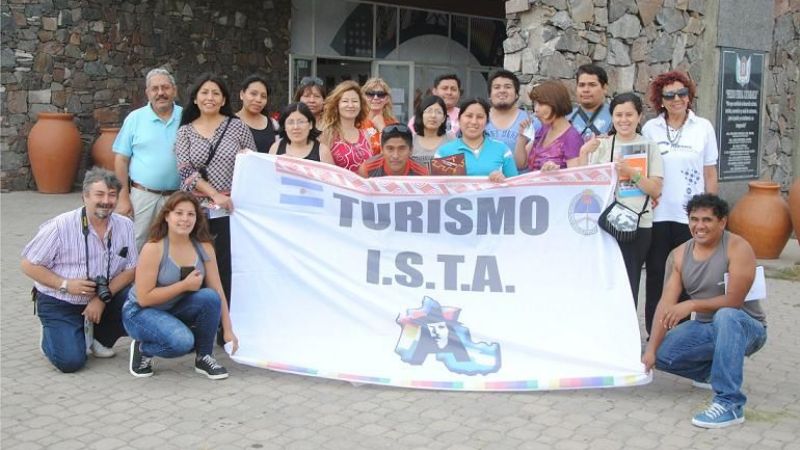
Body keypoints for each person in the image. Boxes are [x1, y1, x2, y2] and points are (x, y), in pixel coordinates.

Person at [642, 194, 766, 429]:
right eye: (694, 219)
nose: (699, 226)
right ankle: (712, 373)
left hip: (747, 328)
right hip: (707, 328)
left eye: (707, 220)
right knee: (661, 354)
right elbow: (665, 305)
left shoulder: (738, 247)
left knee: (726, 316)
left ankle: (730, 403)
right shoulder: (679, 254)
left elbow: (733, 302)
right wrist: (650, 350)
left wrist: (691, 305)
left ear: (722, 222)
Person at [21, 168, 137, 373]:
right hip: (60, 300)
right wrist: (65, 284)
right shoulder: (60, 226)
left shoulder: (125, 225)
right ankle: (51, 337)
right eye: (99, 194)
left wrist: (100, 299)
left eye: (112, 195)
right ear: (85, 196)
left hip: (103, 298)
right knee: (71, 362)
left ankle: (101, 338)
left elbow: (131, 269)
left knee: (137, 297)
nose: (106, 201)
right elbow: (28, 264)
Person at [123, 192, 238, 379]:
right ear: (167, 216)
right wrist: (184, 285)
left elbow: (217, 289)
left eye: (191, 214)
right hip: (141, 312)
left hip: (174, 308)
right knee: (182, 342)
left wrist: (228, 330)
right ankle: (143, 349)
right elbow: (144, 298)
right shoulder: (153, 248)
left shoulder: (204, 247)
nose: (185, 219)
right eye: (179, 213)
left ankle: (204, 356)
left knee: (210, 296)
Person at [641, 71, 719, 336]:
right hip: (658, 214)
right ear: (660, 100)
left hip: (690, 217)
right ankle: (654, 331)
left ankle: (680, 333)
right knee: (656, 274)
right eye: (669, 95)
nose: (676, 99)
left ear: (689, 96)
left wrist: (712, 212)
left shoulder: (703, 127)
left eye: (681, 93)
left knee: (686, 275)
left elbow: (710, 173)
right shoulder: (650, 129)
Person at [174, 73, 256, 308]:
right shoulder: (185, 131)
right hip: (194, 209)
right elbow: (185, 171)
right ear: (195, 99)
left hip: (230, 209)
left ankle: (225, 315)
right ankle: (196, 312)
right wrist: (214, 194)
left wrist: (246, 157)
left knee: (224, 261)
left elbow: (253, 162)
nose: (210, 97)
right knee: (194, 260)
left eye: (215, 93)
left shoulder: (237, 126)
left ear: (223, 100)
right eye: (204, 92)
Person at [578, 93, 664, 305]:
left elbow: (655, 189)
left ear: (639, 116)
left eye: (629, 114)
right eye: (618, 115)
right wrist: (584, 153)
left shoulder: (650, 146)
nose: (624, 120)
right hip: (606, 222)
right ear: (612, 117)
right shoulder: (602, 145)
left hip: (637, 223)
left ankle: (628, 324)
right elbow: (585, 184)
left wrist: (631, 173)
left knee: (629, 280)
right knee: (604, 280)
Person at [113, 67, 182, 251]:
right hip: (143, 195)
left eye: (165, 87)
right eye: (155, 89)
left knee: (175, 245)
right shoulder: (135, 118)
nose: (160, 93)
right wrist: (123, 198)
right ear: (147, 93)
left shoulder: (187, 117)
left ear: (174, 90)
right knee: (136, 243)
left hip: (178, 196)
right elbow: (121, 160)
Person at [435, 97, 518, 179]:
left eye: (480, 117)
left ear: (487, 121)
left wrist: (503, 179)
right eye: (469, 116)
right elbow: (436, 185)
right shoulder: (444, 152)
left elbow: (515, 184)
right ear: (459, 119)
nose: (474, 122)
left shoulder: (502, 149)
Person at [515, 80, 582, 172]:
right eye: (535, 104)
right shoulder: (543, 130)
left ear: (556, 103)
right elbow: (521, 164)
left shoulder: (571, 137)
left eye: (541, 104)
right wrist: (522, 138)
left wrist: (555, 172)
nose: (536, 109)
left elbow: (575, 176)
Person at [320, 80, 372, 172]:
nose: (350, 105)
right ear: (337, 105)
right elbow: (329, 174)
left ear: (361, 105)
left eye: (355, 101)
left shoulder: (366, 135)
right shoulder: (327, 136)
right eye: (345, 101)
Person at [485, 69, 540, 151]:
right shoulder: (478, 119)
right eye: (497, 87)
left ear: (516, 94)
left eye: (508, 87)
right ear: (490, 95)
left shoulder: (531, 122)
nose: (502, 91)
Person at [268, 102, 333, 163]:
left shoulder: (322, 152)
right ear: (284, 126)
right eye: (290, 122)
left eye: (301, 122)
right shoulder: (275, 148)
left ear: (310, 124)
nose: (296, 127)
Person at [358, 123, 428, 178]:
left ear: (411, 150)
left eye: (401, 149)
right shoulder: (367, 170)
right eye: (390, 149)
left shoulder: (422, 173)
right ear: (382, 149)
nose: (395, 155)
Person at [236, 74, 279, 153]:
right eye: (253, 94)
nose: (258, 100)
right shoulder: (229, 123)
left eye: (263, 96)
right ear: (242, 94)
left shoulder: (274, 125)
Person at [569, 64, 612, 141]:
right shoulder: (567, 118)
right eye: (581, 85)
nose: (586, 90)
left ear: (604, 88)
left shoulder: (617, 117)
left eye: (592, 85)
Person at [410, 95, 454, 170]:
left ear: (444, 118)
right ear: (421, 115)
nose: (433, 116)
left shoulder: (451, 140)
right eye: (429, 111)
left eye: (438, 112)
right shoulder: (411, 140)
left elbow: (456, 170)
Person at [361, 77, 399, 155]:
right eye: (370, 94)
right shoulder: (356, 123)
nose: (375, 97)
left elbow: (393, 154)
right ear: (364, 97)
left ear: (387, 99)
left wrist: (382, 128)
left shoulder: (394, 125)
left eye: (381, 94)